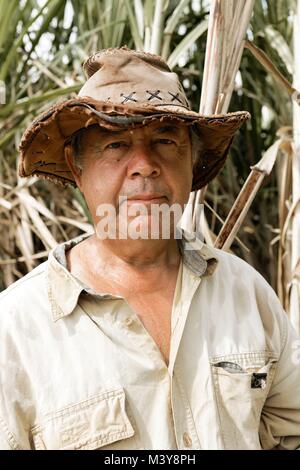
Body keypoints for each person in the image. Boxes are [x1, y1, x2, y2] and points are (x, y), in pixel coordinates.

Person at [0, 47, 300, 451]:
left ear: (192, 160)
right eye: (114, 144)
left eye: (164, 139)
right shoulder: (16, 329)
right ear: (77, 166)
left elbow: (288, 430)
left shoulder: (245, 292)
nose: (144, 164)